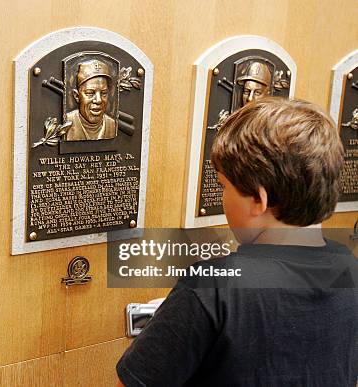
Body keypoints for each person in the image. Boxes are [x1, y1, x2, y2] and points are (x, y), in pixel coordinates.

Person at [117, 98, 358, 386]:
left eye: (223, 186)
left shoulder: (212, 288)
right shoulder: (349, 265)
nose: (222, 197)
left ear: (259, 198)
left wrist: (180, 320)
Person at [64, 59, 117, 141]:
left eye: (104, 93)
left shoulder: (112, 125)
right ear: (77, 96)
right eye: (90, 93)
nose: (98, 100)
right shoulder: (65, 124)